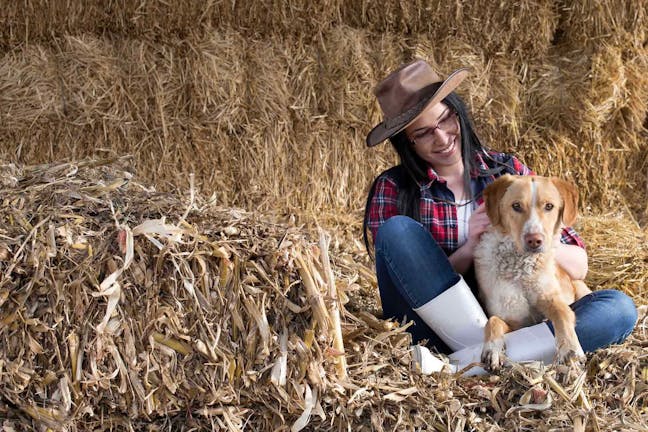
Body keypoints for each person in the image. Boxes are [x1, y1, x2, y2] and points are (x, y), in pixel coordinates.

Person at [363, 59, 638, 374]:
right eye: (423, 133)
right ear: (406, 142)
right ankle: (495, 354)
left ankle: (465, 365)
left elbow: (578, 264)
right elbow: (404, 281)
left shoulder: (508, 173)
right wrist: (470, 246)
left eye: (445, 120)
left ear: (458, 112)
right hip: (432, 330)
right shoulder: (393, 188)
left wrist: (526, 235)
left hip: (513, 321)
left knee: (618, 309)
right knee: (398, 231)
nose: (441, 138)